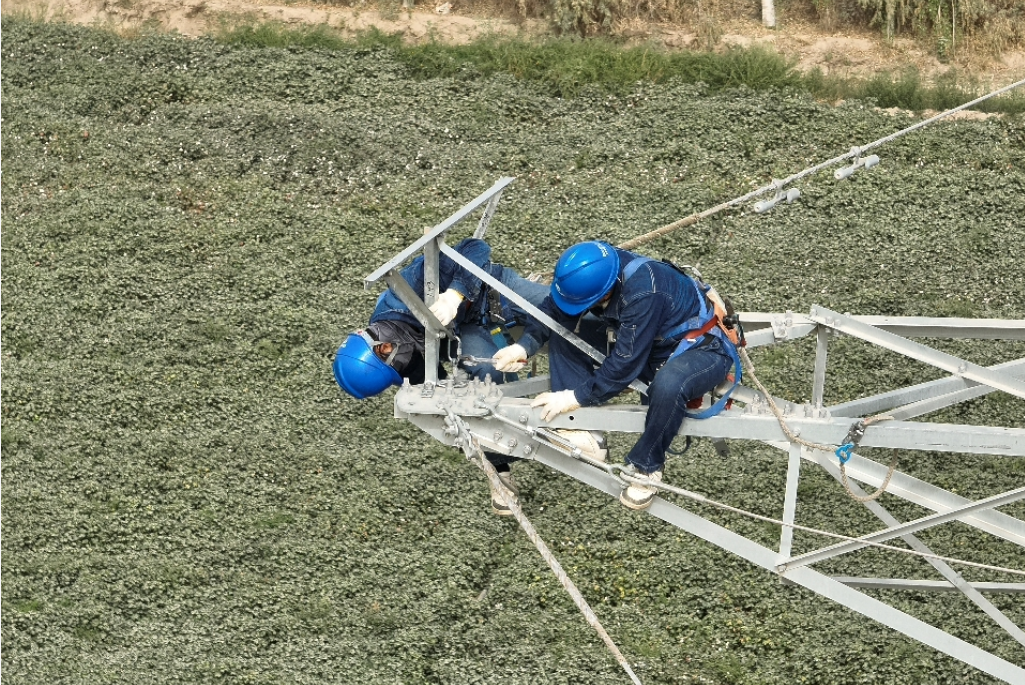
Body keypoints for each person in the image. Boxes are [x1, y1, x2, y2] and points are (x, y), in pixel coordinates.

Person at [492, 240, 740, 510]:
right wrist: (523, 346)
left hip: (701, 348)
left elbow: (625, 365)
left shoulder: (643, 293)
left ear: (604, 293)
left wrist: (573, 397)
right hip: (654, 337)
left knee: (669, 384)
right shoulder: (599, 268)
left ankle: (647, 467)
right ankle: (583, 433)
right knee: (565, 334)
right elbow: (554, 311)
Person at [332, 237, 550, 515]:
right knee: (485, 374)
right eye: (398, 370)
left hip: (493, 289)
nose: (405, 368)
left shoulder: (412, 285)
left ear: (382, 347)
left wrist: (453, 296)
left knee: (565, 312)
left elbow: (476, 247)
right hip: (468, 328)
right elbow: (437, 392)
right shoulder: (403, 358)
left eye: (397, 364)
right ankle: (499, 470)